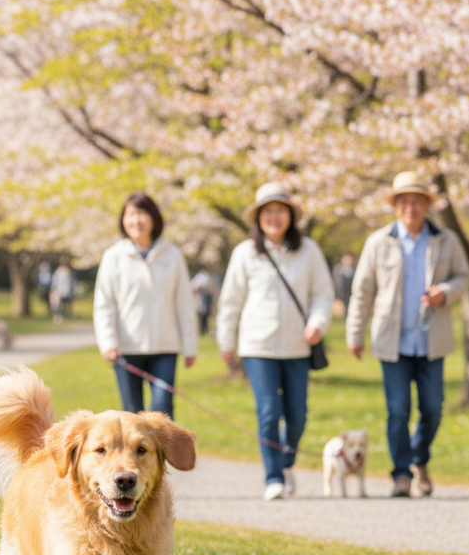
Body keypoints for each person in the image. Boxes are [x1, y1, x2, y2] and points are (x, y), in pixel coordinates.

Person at [346, 171, 469, 498]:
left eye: (417, 201)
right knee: (398, 409)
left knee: (432, 408)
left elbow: (464, 276)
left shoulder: (446, 239)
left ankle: (420, 459)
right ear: (396, 205)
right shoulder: (378, 241)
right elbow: (362, 291)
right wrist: (354, 333)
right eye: (404, 201)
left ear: (426, 205)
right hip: (393, 341)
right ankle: (401, 472)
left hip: (432, 340)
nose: (410, 207)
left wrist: (446, 291)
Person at [216, 183, 334, 501]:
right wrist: (226, 341)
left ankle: (286, 462)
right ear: (258, 217)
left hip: (298, 345)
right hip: (258, 346)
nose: (274, 216)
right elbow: (230, 301)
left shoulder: (308, 251)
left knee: (297, 414)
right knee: (269, 411)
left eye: (280, 210)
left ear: (290, 216)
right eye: (267, 211)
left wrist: (317, 323)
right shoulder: (245, 253)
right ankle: (273, 477)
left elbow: (323, 293)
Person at [93, 192, 198, 420]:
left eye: (142, 213)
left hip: (165, 347)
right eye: (131, 214)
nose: (137, 220)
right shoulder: (113, 257)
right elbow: (104, 304)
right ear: (123, 219)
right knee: (131, 415)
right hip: (126, 348)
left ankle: (162, 457)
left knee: (162, 413)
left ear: (154, 219)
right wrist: (108, 342)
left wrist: (190, 346)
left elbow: (184, 303)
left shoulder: (172, 254)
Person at [190, 268, 216, 335]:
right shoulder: (201, 277)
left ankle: (204, 329)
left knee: (205, 315)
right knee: (203, 315)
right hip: (202, 298)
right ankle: (203, 330)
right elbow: (195, 287)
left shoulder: (201, 277)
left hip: (205, 297)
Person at [332, 253, 356, 317]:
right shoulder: (338, 269)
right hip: (341, 292)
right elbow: (337, 282)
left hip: (350, 292)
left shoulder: (354, 270)